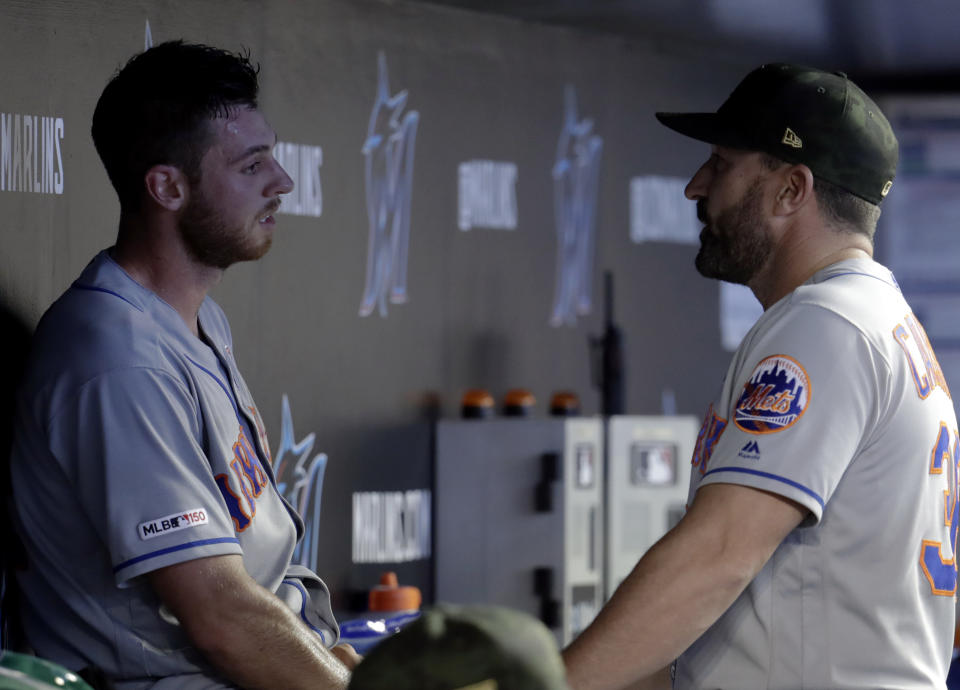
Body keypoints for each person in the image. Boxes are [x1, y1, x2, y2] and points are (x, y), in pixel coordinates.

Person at [563, 63, 957, 689]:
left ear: (790, 190)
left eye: (721, 164)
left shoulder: (828, 324)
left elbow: (718, 557)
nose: (697, 187)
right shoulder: (877, 321)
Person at [9, 41, 359, 689]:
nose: (281, 181)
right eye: (253, 165)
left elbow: (256, 592)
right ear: (167, 186)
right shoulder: (115, 359)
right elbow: (221, 616)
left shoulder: (194, 321)